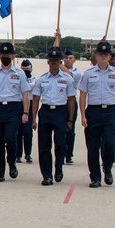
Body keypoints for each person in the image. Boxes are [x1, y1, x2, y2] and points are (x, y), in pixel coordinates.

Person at [78, 41, 115, 188]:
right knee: (92, 146)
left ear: (109, 56)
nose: (103, 56)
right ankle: (95, 177)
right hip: (93, 111)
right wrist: (83, 115)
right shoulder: (88, 73)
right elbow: (82, 95)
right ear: (96, 56)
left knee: (110, 144)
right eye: (101, 54)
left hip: (111, 111)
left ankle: (108, 168)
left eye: (106, 54)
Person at [0, 42, 30, 182]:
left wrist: (25, 112)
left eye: (8, 55)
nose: (5, 57)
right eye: (3, 55)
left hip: (13, 109)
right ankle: (0, 171)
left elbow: (25, 94)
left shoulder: (19, 73)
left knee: (10, 138)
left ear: (13, 56)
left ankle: (12, 162)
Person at [30, 46, 76, 186]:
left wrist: (70, 119)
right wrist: (33, 119)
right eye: (51, 60)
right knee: (44, 146)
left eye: (56, 60)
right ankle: (47, 175)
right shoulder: (42, 79)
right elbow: (36, 99)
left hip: (61, 112)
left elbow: (71, 100)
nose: (54, 62)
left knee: (61, 144)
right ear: (48, 62)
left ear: (60, 61)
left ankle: (59, 167)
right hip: (45, 112)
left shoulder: (67, 79)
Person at [61, 48, 82, 164]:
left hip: (71, 102)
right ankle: (61, 153)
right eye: (66, 58)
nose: (68, 60)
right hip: (60, 102)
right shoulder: (57, 70)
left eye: (70, 58)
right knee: (60, 130)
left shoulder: (77, 72)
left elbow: (69, 75)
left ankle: (69, 154)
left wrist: (57, 62)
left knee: (70, 130)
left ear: (74, 60)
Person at [16, 60, 36, 163]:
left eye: (27, 69)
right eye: (23, 69)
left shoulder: (34, 79)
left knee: (27, 131)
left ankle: (28, 154)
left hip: (30, 105)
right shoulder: (17, 78)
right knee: (18, 131)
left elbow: (29, 87)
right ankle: (18, 154)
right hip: (19, 105)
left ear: (31, 69)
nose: (26, 71)